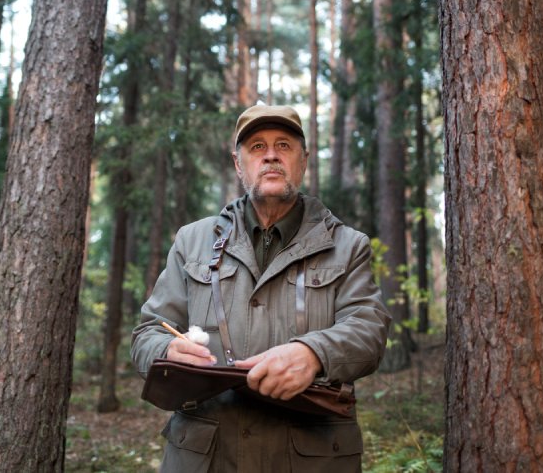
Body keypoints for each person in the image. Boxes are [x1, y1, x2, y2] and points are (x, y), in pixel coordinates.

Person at [131, 104, 391, 472]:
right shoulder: (192, 241)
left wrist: (314, 354)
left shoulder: (348, 245)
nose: (270, 155)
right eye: (257, 147)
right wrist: (166, 351)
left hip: (311, 459)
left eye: (284, 145)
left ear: (303, 160)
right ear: (239, 164)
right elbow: (147, 333)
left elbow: (369, 329)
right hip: (206, 458)